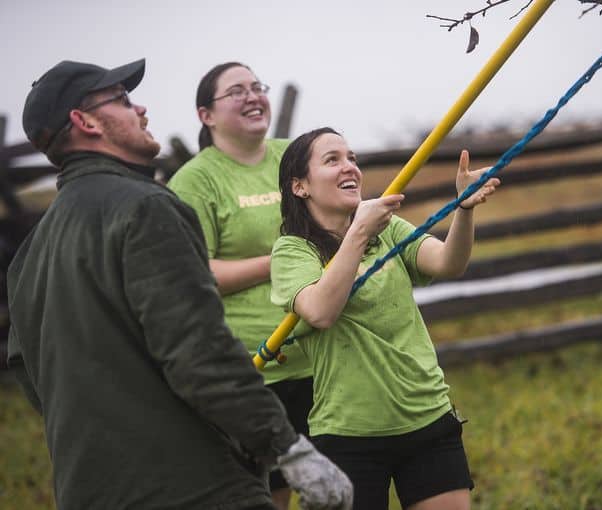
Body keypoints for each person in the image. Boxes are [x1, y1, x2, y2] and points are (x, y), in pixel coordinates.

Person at [6, 60, 352, 510]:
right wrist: (287, 447)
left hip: (88, 488)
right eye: (124, 101)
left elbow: (26, 367)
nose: (142, 110)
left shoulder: (31, 249)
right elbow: (198, 348)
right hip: (192, 486)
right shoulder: (146, 209)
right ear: (85, 121)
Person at [270, 127, 500, 510]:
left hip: (427, 416)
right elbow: (321, 311)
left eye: (352, 158)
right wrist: (358, 230)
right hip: (348, 433)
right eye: (332, 160)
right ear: (299, 186)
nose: (350, 168)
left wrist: (464, 209)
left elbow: (448, 262)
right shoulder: (292, 251)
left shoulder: (388, 230)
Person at [167, 62, 313, 510]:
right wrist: (279, 262)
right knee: (266, 492)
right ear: (205, 115)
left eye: (257, 87)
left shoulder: (295, 157)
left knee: (336, 483)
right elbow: (197, 274)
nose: (253, 96)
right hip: (253, 367)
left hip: (322, 357)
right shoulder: (194, 181)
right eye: (237, 91)